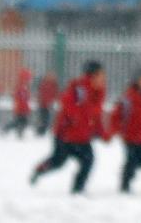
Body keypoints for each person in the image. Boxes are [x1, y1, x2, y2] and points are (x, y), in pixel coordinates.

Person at [30, 60, 108, 193]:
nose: (104, 78)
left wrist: (101, 132)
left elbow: (96, 115)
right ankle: (39, 170)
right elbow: (68, 104)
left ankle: (77, 189)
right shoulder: (79, 88)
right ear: (93, 75)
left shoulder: (99, 92)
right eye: (101, 75)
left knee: (88, 161)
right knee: (58, 162)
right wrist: (76, 119)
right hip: (65, 135)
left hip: (82, 137)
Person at [110, 67, 141, 193]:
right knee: (131, 162)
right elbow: (117, 115)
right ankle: (125, 184)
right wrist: (117, 130)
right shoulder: (128, 97)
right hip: (131, 137)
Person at [3, 67, 32, 138]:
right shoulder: (21, 86)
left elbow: (24, 98)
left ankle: (16, 131)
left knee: (21, 121)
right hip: (20, 108)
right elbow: (20, 98)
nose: (30, 80)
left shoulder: (24, 86)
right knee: (20, 121)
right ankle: (10, 130)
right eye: (28, 78)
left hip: (22, 108)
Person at [36, 71, 59, 136]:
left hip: (48, 104)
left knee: (46, 118)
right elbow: (41, 93)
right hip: (43, 104)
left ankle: (41, 131)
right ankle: (41, 131)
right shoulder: (45, 83)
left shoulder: (53, 84)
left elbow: (55, 93)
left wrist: (54, 99)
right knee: (44, 118)